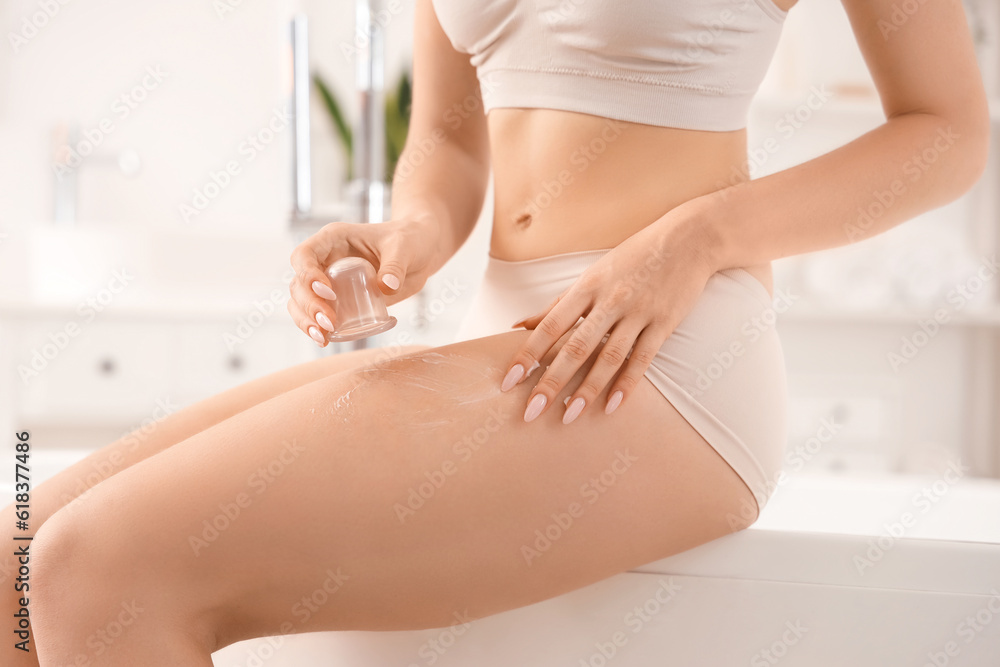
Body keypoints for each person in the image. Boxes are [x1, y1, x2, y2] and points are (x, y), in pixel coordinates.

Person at [7, 0, 989, 664]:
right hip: (504, 342)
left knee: (95, 565)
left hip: (659, 362)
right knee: (16, 563)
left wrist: (698, 235)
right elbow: (444, 135)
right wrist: (408, 237)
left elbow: (948, 129)